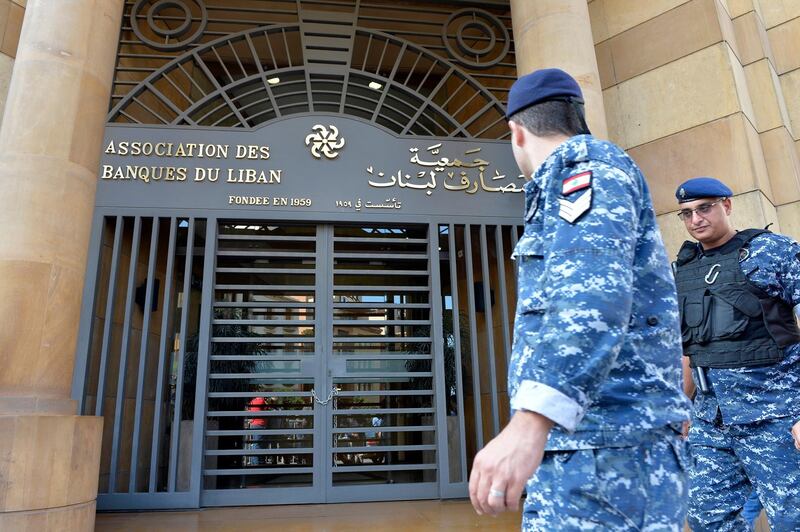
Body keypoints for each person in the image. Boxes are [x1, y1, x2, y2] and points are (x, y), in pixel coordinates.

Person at [468, 68, 691, 530]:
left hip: (609, 451)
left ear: (516, 132)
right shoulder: (578, 171)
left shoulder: (583, 169)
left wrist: (531, 422)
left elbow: (592, 299)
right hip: (595, 449)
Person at [673, 177, 800, 531]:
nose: (696, 219)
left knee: (793, 518)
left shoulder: (772, 251)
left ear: (726, 205)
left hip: (776, 417)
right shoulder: (684, 270)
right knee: (706, 518)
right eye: (686, 213)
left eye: (704, 208)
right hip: (712, 421)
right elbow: (688, 347)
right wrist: (681, 408)